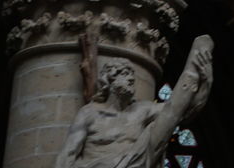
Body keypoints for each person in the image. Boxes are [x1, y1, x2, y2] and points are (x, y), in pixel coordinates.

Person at [54, 35, 213, 167]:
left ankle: (192, 69)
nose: (131, 78)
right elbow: (68, 155)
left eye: (131, 74)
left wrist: (207, 83)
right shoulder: (89, 113)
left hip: (136, 163)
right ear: (109, 81)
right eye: (124, 74)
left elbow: (181, 111)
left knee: (162, 121)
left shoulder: (142, 110)